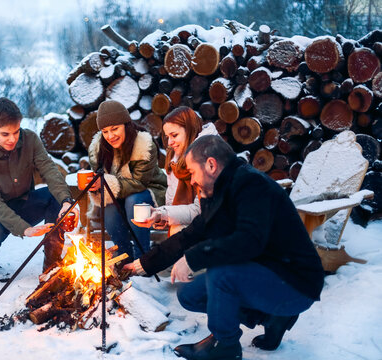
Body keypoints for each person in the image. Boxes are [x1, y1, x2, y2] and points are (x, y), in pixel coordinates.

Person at [124, 135, 324, 360]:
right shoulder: (218, 190)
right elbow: (192, 234)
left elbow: (249, 241)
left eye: (191, 172)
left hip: (295, 283)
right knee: (190, 294)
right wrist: (144, 264)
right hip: (265, 273)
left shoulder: (252, 185)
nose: (191, 181)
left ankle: (225, 346)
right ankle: (271, 319)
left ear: (211, 164)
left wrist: (193, 259)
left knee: (220, 273)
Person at [0, 97, 78, 275]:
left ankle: (52, 260)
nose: (12, 139)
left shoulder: (30, 140)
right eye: (5, 134)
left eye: (16, 132)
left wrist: (66, 201)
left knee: (54, 197)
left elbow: (49, 170)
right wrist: (23, 228)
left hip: (23, 201)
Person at [87, 100, 167, 260]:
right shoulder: (99, 149)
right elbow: (102, 182)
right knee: (108, 207)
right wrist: (95, 186)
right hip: (119, 197)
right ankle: (124, 258)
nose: (110, 136)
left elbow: (140, 183)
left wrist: (107, 184)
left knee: (134, 202)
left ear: (126, 124)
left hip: (148, 193)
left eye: (115, 129)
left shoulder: (143, 144)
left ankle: (142, 258)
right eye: (105, 131)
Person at [133, 106, 218, 236]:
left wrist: (164, 213)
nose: (170, 142)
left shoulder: (208, 157)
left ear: (190, 130)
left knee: (178, 232)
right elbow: (172, 200)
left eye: (174, 135)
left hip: (214, 227)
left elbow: (200, 210)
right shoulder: (175, 160)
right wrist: (162, 217)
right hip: (190, 222)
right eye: (167, 137)